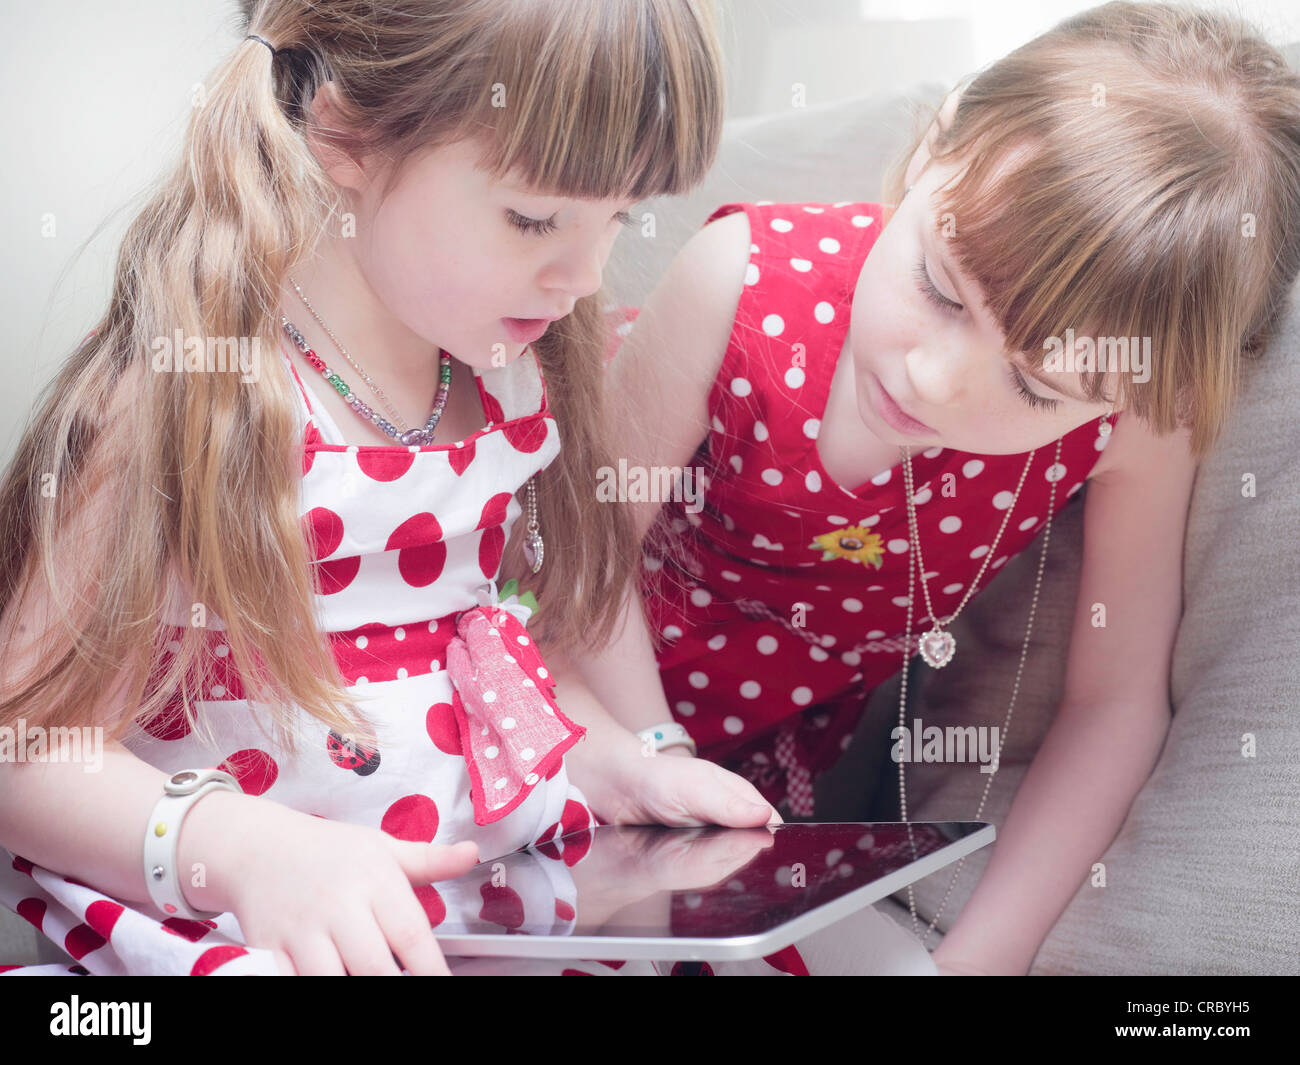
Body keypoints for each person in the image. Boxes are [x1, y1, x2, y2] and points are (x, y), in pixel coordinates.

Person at [0, 0, 789, 977]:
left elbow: (469, 668)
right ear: (344, 134)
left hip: (467, 917)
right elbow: (22, 751)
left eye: (617, 217)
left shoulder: (499, 386)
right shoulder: (182, 398)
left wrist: (611, 760)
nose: (584, 277)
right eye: (534, 218)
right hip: (243, 935)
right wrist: (246, 854)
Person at [552, 0, 1300, 975]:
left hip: (751, 789)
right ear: (931, 150)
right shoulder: (738, 282)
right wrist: (651, 750)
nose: (931, 380)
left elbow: (1111, 707)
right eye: (940, 288)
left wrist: (973, 964)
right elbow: (574, 564)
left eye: (1033, 386)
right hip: (566, 682)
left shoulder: (1132, 420)